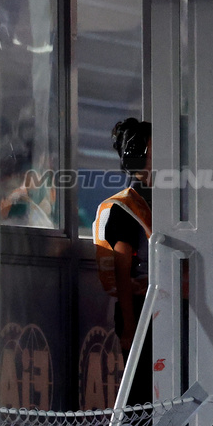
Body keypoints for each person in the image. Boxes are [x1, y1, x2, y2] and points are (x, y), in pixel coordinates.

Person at [91, 118, 153, 406]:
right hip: (141, 310)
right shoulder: (125, 207)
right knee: (140, 395)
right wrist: (130, 327)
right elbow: (122, 269)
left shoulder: (171, 201)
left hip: (168, 307)